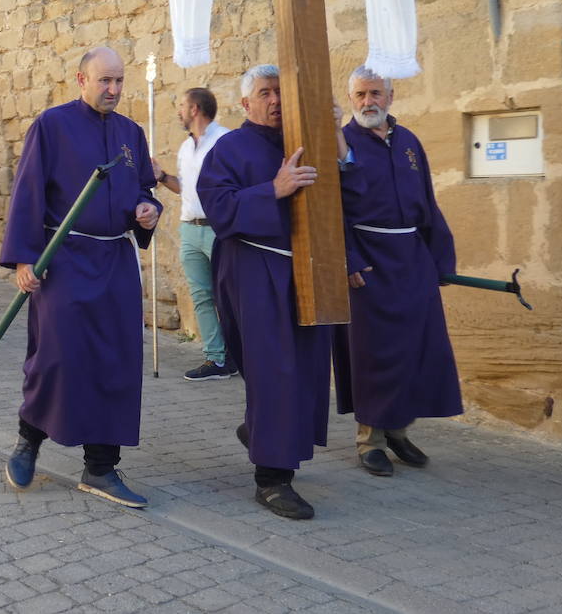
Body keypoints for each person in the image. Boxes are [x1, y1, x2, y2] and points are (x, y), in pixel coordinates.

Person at [196, 64, 360, 520]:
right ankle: (271, 480)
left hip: (306, 270)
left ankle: (264, 434)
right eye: (265, 93)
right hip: (254, 269)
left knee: (306, 369)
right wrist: (274, 189)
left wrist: (334, 134)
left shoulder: (305, 141)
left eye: (280, 92)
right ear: (245, 103)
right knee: (274, 371)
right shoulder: (230, 148)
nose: (275, 101)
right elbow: (219, 208)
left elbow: (346, 194)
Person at [1, 47, 161, 509]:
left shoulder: (131, 133)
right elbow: (28, 190)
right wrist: (24, 259)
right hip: (64, 259)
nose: (113, 89)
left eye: (119, 81)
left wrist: (147, 209)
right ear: (81, 80)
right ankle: (28, 442)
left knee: (115, 361)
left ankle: (101, 467)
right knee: (57, 356)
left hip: (115, 261)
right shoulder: (52, 126)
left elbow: (143, 188)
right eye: (104, 80)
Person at [335, 66, 463, 476]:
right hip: (368, 261)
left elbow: (427, 199)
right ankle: (369, 440)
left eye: (375, 93)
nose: (367, 101)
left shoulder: (408, 142)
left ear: (390, 96)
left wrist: (440, 258)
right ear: (351, 99)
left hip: (411, 260)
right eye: (360, 94)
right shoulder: (341, 143)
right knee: (375, 353)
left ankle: (398, 430)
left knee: (415, 349)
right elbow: (330, 210)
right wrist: (348, 258)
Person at [151, 87, 235, 381]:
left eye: (182, 106)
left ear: (195, 109)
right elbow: (185, 189)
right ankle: (216, 358)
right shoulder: (186, 148)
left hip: (218, 229)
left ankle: (241, 353)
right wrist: (162, 177)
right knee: (201, 296)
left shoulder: (225, 141)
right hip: (190, 228)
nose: (178, 111)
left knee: (231, 296)